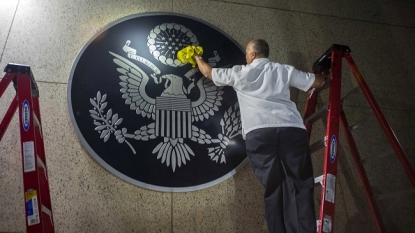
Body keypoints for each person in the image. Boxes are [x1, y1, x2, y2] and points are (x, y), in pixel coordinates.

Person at [193, 39, 326, 233]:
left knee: (273, 187)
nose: (245, 57)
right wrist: (324, 75)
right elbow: (317, 82)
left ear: (253, 55)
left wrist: (196, 56)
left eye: (247, 53)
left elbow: (208, 73)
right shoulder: (284, 70)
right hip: (290, 129)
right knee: (299, 183)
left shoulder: (240, 72)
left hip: (260, 133)